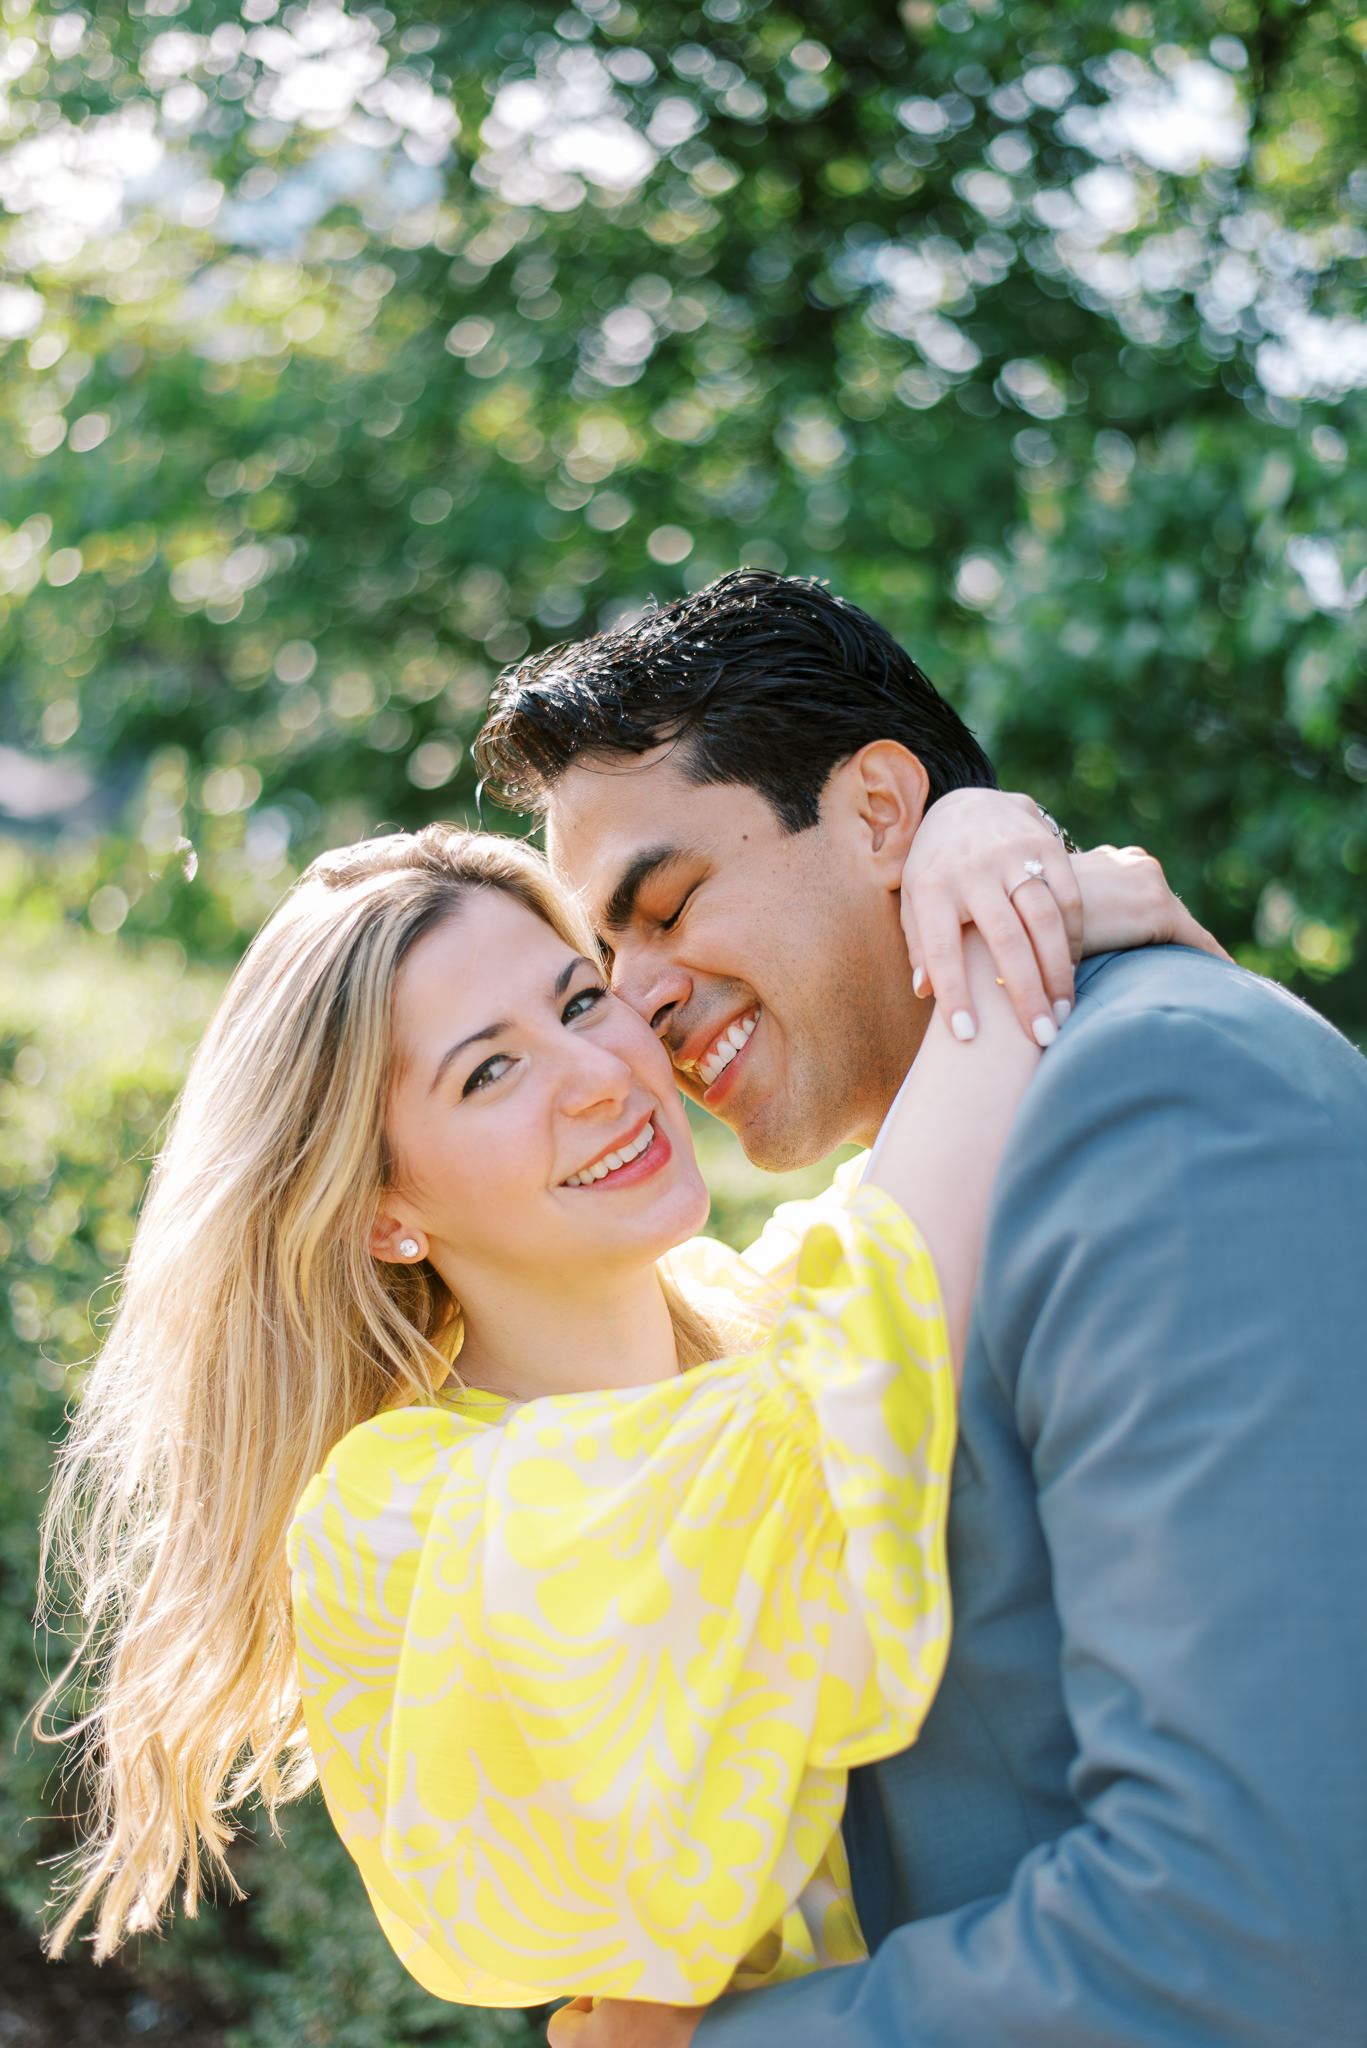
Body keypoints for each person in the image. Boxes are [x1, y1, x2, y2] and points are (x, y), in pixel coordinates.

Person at [36, 808, 1190, 1998]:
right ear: (381, 1210)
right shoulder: (401, 1514)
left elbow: (901, 1229)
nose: (601, 1075)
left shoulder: (755, 1315)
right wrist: (1004, 939)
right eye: (488, 1069)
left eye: (580, 1000)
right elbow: (846, 1384)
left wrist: (980, 838)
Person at [474, 568, 1367, 2047]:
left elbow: (1251, 1926)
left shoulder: (1155, 1100)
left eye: (667, 904)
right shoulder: (890, 1224)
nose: (631, 1006)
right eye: (596, 968)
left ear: (881, 809)